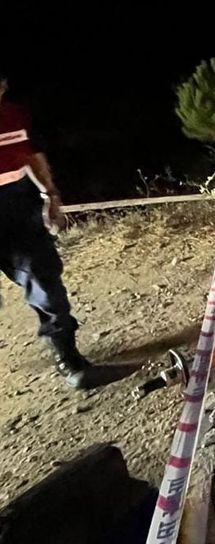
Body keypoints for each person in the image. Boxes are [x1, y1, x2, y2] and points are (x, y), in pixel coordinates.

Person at [0, 70, 95, 388]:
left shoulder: (16, 115)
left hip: (17, 203)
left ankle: (69, 359)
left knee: (44, 277)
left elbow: (32, 155)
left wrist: (50, 194)